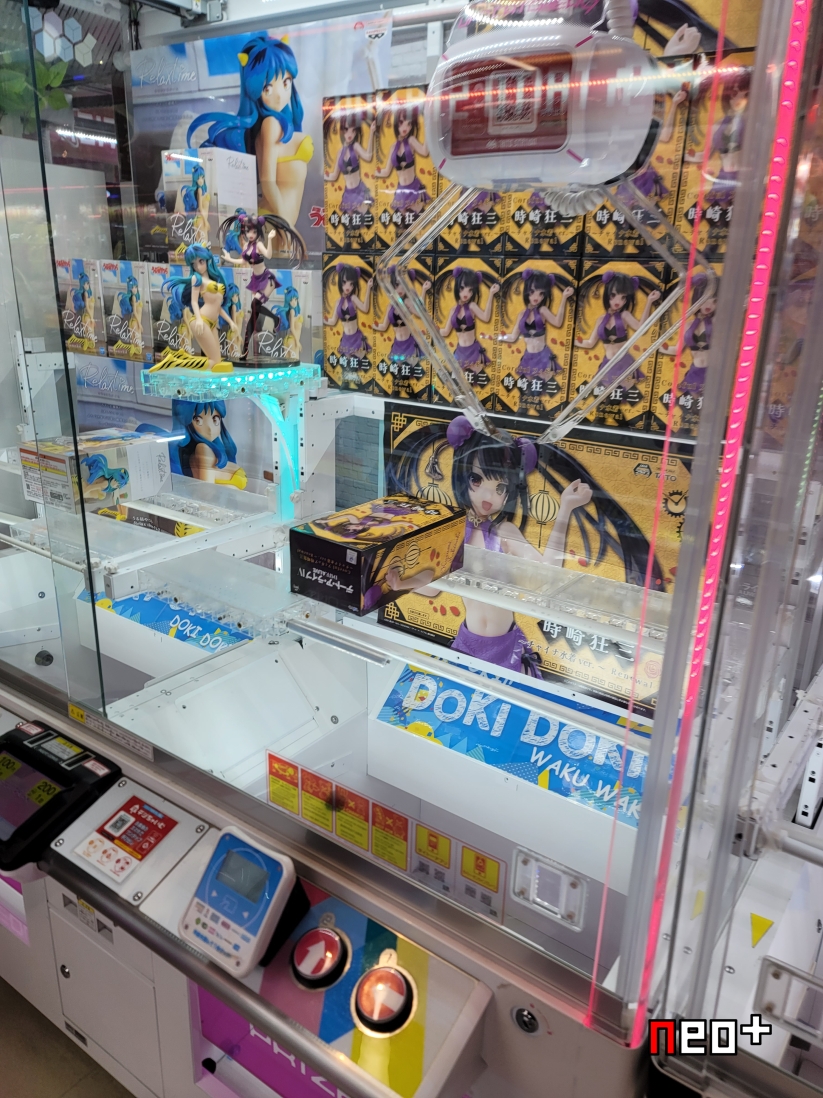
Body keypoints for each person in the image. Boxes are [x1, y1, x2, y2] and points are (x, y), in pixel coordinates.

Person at [383, 415, 664, 675]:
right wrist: (402, 583)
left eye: (501, 488)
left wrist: (565, 508)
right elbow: (433, 584)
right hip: (467, 642)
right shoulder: (456, 532)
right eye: (476, 480)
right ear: (462, 477)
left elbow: (548, 572)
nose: (488, 495)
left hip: (504, 648)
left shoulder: (503, 532)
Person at [188, 35, 311, 228]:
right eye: (268, 88)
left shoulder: (278, 122)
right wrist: (287, 227)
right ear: (255, 91)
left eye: (286, 82)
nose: (280, 95)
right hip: (277, 222)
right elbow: (268, 181)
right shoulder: (270, 124)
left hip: (278, 221)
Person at [150, 245, 237, 373]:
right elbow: (194, 302)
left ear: (207, 259)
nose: (198, 267)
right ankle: (175, 362)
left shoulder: (215, 279)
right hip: (201, 321)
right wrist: (199, 319)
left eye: (201, 261)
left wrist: (230, 322)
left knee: (217, 362)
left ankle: (182, 357)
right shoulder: (196, 279)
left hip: (212, 323)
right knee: (213, 362)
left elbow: (217, 307)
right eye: (194, 264)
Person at [575, 271, 661, 390]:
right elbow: (590, 343)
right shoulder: (600, 319)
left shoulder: (625, 315)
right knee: (606, 395)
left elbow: (641, 327)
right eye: (613, 295)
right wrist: (573, 341)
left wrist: (649, 302)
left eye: (623, 297)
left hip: (623, 362)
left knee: (622, 394)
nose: (617, 301)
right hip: (607, 363)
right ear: (607, 295)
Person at [499, 269, 574, 383]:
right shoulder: (521, 314)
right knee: (529, 388)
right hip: (528, 356)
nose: (536, 297)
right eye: (532, 292)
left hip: (543, 356)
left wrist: (564, 298)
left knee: (544, 386)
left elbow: (558, 322)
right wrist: (498, 337)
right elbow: (513, 337)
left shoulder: (542, 310)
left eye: (541, 293)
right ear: (526, 292)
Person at [171, 400, 247, 489]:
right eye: (198, 420)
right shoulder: (203, 448)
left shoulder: (206, 448)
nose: (210, 428)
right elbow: (207, 491)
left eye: (215, 419)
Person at [440, 267, 499, 374]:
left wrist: (491, 294)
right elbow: (445, 332)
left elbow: (486, 317)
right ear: (457, 288)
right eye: (462, 288)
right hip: (460, 351)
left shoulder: (472, 306)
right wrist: (430, 327)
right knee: (459, 379)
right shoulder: (453, 310)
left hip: (473, 350)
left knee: (475, 379)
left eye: (470, 290)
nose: (466, 293)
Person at [375, 102, 431, 214]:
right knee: (403, 221)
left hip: (414, 188)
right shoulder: (393, 147)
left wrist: (428, 128)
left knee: (417, 218)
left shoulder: (411, 141)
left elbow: (424, 152)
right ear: (396, 124)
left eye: (408, 124)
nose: (405, 127)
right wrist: (374, 173)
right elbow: (386, 171)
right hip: (401, 190)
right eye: (401, 122)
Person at [324, 109, 376, 215]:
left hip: (359, 191)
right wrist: (322, 176)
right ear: (342, 131)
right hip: (348, 193)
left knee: (362, 218)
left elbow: (368, 157)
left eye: (353, 131)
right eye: (347, 130)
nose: (350, 134)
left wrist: (371, 132)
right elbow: (334, 176)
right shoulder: (340, 153)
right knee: (350, 222)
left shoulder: (355, 146)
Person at [323, 263, 373, 361]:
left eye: (351, 284)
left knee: (358, 363)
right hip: (346, 339)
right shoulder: (338, 302)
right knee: (349, 365)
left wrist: (368, 288)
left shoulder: (353, 298)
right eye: (344, 282)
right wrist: (322, 319)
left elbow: (365, 308)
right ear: (340, 282)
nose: (348, 287)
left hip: (356, 338)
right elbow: (333, 321)